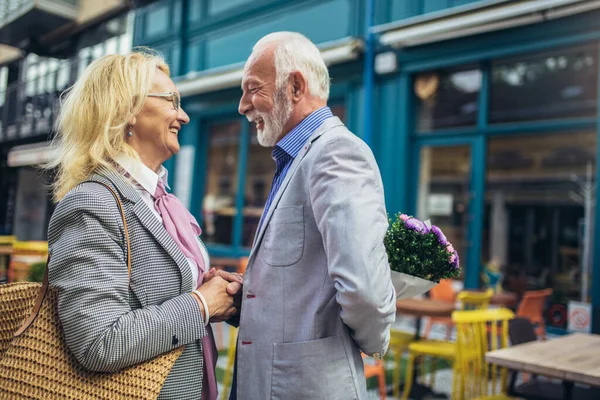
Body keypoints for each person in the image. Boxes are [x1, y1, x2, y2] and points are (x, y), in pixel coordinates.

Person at [45, 50, 242, 400]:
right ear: (126, 110)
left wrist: (211, 290)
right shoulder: (92, 202)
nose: (182, 115)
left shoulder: (159, 201)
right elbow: (98, 342)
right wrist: (200, 304)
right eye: (170, 100)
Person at [232, 32, 397, 399]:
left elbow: (365, 291)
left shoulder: (336, 152)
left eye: (252, 89)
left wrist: (374, 343)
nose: (243, 106)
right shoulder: (297, 158)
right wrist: (248, 295)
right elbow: (307, 282)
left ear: (294, 86)